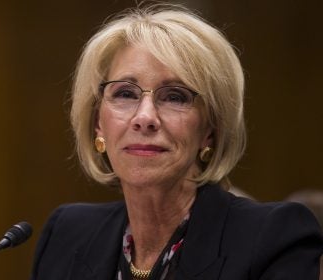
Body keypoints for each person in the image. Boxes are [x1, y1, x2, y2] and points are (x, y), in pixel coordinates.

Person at [30, 4, 323, 280]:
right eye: (125, 94)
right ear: (97, 124)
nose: (145, 118)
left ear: (210, 128)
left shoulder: (273, 238)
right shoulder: (67, 234)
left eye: (174, 97)